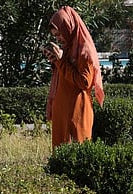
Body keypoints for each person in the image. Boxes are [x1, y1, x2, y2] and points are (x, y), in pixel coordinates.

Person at [42, 6, 104, 149]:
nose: (59, 38)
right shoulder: (68, 48)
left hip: (77, 111)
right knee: (61, 155)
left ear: (68, 28)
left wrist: (60, 61)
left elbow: (84, 82)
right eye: (56, 36)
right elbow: (64, 74)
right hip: (63, 110)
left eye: (60, 34)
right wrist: (55, 60)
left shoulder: (84, 51)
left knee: (76, 155)